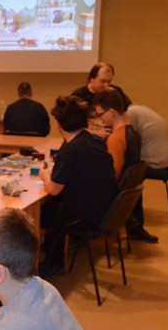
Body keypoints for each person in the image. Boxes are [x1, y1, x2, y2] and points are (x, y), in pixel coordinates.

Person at [38, 96, 117, 274]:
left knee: (40, 213)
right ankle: (51, 253)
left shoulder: (71, 149)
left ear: (59, 124)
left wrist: (44, 176)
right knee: (54, 206)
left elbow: (53, 189)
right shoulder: (92, 141)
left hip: (87, 214)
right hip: (106, 208)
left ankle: (52, 261)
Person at [93, 89, 158, 244]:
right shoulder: (134, 133)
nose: (100, 119)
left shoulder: (116, 139)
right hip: (127, 194)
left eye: (100, 114)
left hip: (114, 195)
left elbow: (113, 175)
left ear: (111, 112)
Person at [127, 103, 168, 173]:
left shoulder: (131, 112)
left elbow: (128, 138)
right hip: (167, 160)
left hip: (158, 163)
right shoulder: (140, 109)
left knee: (124, 166)